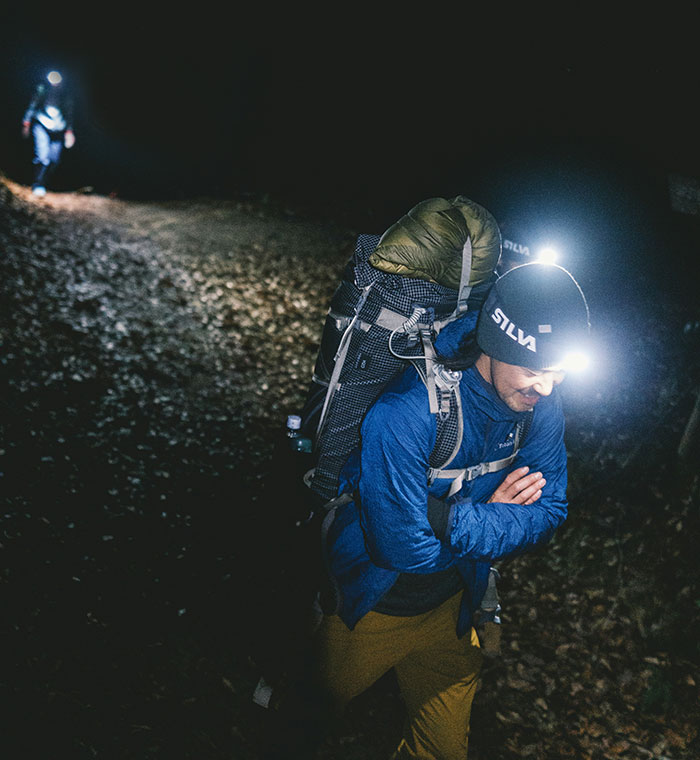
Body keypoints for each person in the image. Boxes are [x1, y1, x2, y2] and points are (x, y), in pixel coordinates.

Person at [312, 261, 591, 759]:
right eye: (532, 370)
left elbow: (550, 511)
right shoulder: (405, 412)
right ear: (494, 344)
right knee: (307, 712)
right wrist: (496, 514)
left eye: (558, 372)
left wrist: (441, 517)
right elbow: (400, 550)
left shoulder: (540, 409)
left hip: (454, 610)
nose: (546, 388)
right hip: (372, 609)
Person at [22, 70, 75, 197]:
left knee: (54, 160)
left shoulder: (66, 96)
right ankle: (38, 184)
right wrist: (26, 124)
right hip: (41, 125)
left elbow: (69, 114)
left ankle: (44, 183)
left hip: (58, 129)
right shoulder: (42, 90)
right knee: (42, 156)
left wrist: (69, 132)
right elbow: (32, 105)